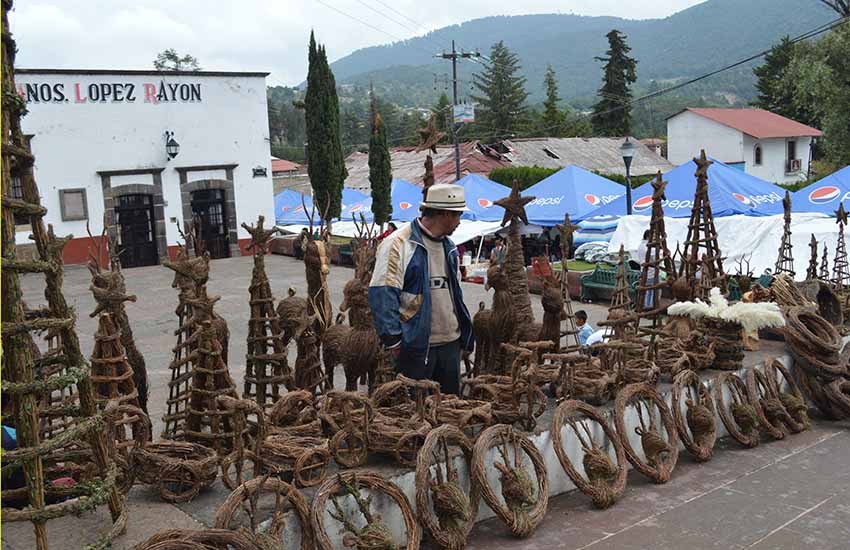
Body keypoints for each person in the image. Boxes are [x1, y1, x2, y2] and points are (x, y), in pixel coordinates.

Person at [369, 184, 474, 395]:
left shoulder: (450, 247)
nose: (459, 222)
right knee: (416, 412)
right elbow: (382, 294)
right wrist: (396, 343)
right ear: (444, 214)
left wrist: (464, 337)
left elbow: (455, 295)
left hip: (450, 344)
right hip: (416, 348)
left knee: (449, 408)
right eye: (457, 216)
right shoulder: (398, 244)